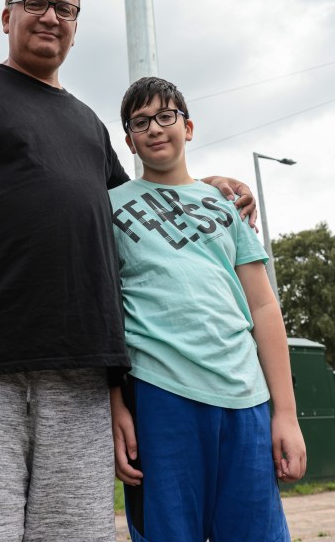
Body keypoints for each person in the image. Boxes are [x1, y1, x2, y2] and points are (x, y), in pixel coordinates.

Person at [0, 0, 258, 542]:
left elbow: (142, 206)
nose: (51, 16)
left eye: (66, 9)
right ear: (6, 16)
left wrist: (206, 185)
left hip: (81, 380)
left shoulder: (89, 126)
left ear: (76, 28)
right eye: (35, 2)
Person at [110, 75, 307, 542]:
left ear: (189, 127)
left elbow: (263, 306)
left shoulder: (224, 206)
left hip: (247, 399)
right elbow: (104, 312)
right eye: (141, 122)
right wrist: (114, 404)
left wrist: (286, 414)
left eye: (166, 116)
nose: (155, 128)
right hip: (160, 394)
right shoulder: (109, 207)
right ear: (129, 140)